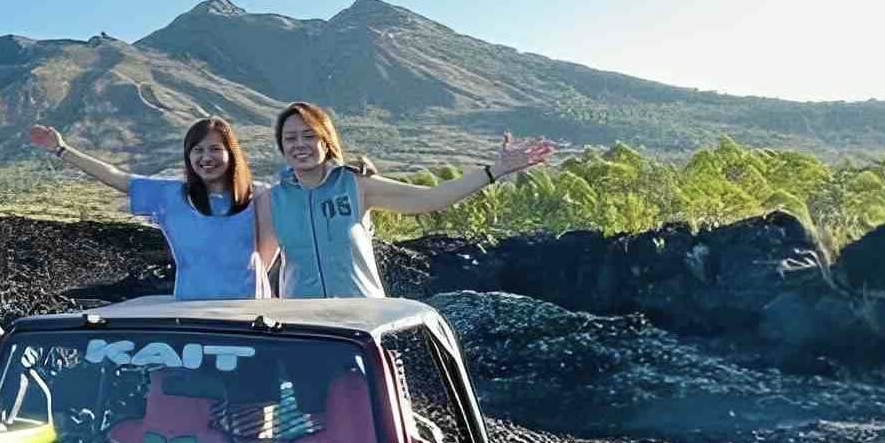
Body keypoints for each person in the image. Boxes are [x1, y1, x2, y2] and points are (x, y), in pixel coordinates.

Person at [259, 102, 554, 299]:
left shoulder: (355, 184)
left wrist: (496, 170)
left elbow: (431, 198)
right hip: (307, 330)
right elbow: (258, 265)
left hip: (359, 325)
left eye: (309, 136)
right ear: (281, 147)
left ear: (326, 141)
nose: (300, 145)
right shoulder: (273, 200)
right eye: (290, 138)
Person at [27, 117, 268, 300]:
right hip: (192, 313)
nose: (206, 157)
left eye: (215, 149)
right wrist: (62, 150)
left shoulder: (257, 195)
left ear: (231, 153)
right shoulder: (172, 195)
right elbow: (117, 177)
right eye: (198, 150)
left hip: (247, 316)